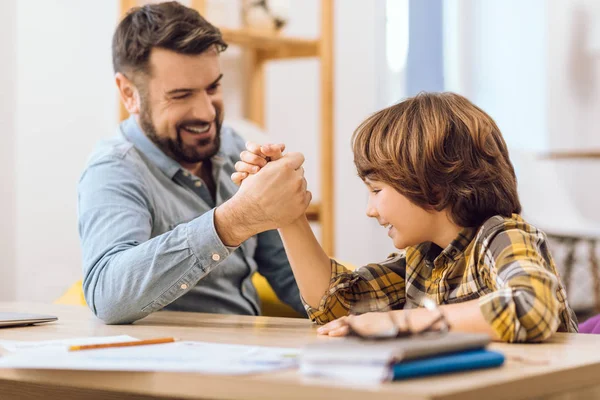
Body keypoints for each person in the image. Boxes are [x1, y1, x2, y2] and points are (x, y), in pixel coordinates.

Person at [232, 92, 579, 343]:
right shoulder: (424, 258)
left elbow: (531, 306)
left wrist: (404, 321)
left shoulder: (503, 235)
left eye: (377, 190)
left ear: (435, 187)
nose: (370, 210)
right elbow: (337, 306)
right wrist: (289, 215)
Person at [78, 1, 310, 324]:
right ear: (129, 93)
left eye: (213, 87)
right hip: (168, 365)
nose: (206, 113)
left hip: (252, 357)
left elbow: (291, 278)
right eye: (181, 95)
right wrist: (233, 221)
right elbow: (107, 296)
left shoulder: (232, 147)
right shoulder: (114, 169)